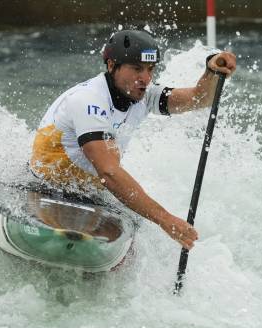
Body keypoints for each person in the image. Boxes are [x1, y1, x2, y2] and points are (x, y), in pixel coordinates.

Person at [30, 30, 236, 250]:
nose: (146, 79)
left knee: (131, 251)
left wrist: (211, 71)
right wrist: (165, 219)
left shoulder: (144, 96)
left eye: (150, 69)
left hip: (90, 196)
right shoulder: (88, 100)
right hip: (43, 188)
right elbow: (108, 173)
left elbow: (199, 99)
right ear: (111, 65)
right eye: (137, 68)